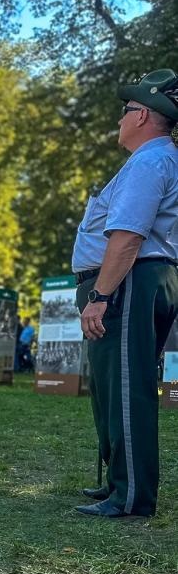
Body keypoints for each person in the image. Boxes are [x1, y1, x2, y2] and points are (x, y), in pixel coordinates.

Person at [72, 68, 178, 519]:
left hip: (129, 279)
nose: (120, 119)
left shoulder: (150, 162)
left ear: (143, 116)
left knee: (127, 389)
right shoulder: (153, 160)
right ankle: (119, 481)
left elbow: (128, 237)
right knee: (111, 388)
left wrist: (100, 296)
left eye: (126, 110)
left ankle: (131, 496)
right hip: (133, 279)